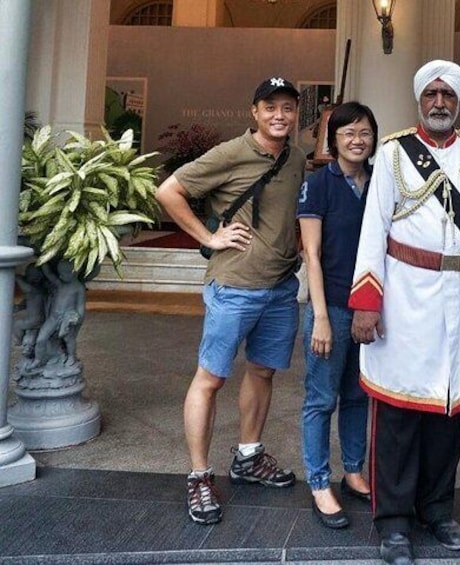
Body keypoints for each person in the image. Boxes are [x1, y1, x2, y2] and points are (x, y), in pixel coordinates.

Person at [349, 59, 460, 565]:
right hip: (403, 294)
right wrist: (367, 303)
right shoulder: (394, 152)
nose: (439, 102)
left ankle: (437, 510)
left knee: (446, 408)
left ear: (457, 101)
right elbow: (373, 229)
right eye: (431, 94)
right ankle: (392, 522)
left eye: (448, 95)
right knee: (397, 411)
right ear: (420, 100)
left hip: (457, 295)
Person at [155, 76, 307, 526]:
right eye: (270, 107)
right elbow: (168, 191)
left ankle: (248, 455)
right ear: (254, 111)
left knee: (262, 372)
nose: (279, 115)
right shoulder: (230, 153)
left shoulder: (296, 157)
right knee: (210, 379)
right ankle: (199, 476)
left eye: (288, 107)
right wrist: (208, 237)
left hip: (281, 287)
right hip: (235, 287)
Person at [297, 101, 378, 529]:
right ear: (334, 139)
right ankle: (318, 482)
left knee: (357, 395)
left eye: (364, 132)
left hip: (367, 310)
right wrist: (321, 316)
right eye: (347, 132)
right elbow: (311, 252)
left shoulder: (379, 181)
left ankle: (353, 470)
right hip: (331, 308)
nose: (357, 139)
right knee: (320, 398)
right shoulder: (320, 184)